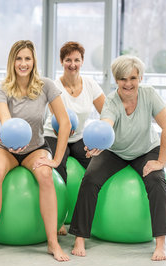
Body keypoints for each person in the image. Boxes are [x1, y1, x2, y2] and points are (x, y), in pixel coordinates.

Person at [68, 55, 166, 261]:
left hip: (146, 149)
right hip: (115, 151)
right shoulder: (112, 101)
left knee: (156, 180)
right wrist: (97, 144)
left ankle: (161, 243)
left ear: (140, 78)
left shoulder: (149, 95)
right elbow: (106, 124)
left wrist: (160, 162)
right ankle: (80, 237)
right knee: (90, 179)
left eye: (133, 78)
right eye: (123, 79)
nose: (128, 84)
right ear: (116, 80)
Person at [0, 40, 71, 262]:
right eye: (19, 58)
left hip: (35, 147)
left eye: (27, 58)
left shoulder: (46, 86)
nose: (23, 63)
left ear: (34, 60)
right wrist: (11, 138)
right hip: (5, 146)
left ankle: (52, 243)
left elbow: (64, 122)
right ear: (12, 62)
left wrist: (56, 160)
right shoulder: (1, 90)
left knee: (46, 176)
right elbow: (6, 122)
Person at [43, 41, 105, 235]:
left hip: (79, 136)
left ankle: (91, 215)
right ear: (62, 61)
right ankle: (59, 219)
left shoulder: (90, 84)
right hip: (54, 133)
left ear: (82, 61)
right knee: (58, 166)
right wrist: (61, 128)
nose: (72, 64)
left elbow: (106, 112)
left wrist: (101, 135)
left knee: (96, 164)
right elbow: (58, 118)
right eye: (68, 60)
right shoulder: (54, 86)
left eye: (76, 60)